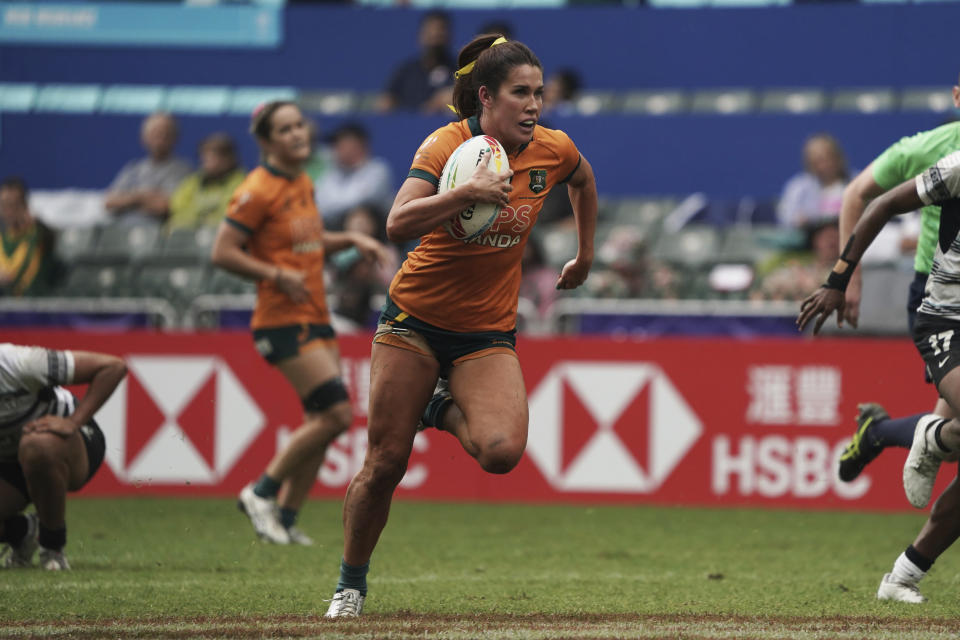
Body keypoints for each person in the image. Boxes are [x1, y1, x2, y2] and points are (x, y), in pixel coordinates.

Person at [324, 34, 598, 618]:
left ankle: (437, 407)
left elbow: (584, 181)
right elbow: (398, 222)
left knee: (502, 451)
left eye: (539, 94)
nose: (533, 105)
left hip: (485, 332)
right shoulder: (447, 144)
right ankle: (350, 585)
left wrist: (586, 254)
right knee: (385, 463)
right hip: (414, 320)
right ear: (485, 97)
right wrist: (468, 193)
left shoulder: (554, 149)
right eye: (520, 93)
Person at [211, 101, 391, 547]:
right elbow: (223, 251)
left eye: (299, 126)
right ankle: (261, 491)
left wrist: (347, 238)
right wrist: (275, 274)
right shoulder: (257, 189)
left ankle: (286, 520)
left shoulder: (302, 181)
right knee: (335, 414)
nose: (297, 134)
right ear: (267, 141)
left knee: (323, 420)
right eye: (286, 129)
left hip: (314, 313)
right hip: (281, 319)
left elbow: (307, 242)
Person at [797, 149, 960, 604]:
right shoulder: (958, 166)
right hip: (950, 323)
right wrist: (838, 280)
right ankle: (927, 437)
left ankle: (903, 575)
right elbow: (880, 204)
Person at [0, 344, 126, 570]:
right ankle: (22, 532)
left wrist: (73, 422)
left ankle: (52, 546)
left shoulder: (19, 363)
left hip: (67, 445)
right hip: (9, 462)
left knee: (37, 446)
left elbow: (113, 367)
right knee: (31, 448)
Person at [104, 112, 192, 227]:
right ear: (144, 137)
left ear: (175, 138)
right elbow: (109, 202)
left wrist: (129, 199)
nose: (161, 138)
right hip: (121, 230)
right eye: (156, 133)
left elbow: (164, 206)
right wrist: (142, 197)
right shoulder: (133, 168)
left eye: (166, 134)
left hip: (158, 234)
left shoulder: (183, 170)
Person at [313, 123, 394, 230]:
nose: (335, 149)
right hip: (335, 230)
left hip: (378, 236)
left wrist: (329, 208)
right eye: (336, 145)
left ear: (358, 145)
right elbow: (318, 204)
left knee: (359, 217)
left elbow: (355, 201)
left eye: (341, 144)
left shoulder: (378, 170)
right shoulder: (332, 173)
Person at [377, 11, 455, 114]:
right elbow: (386, 102)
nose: (435, 38)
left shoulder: (459, 69)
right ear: (421, 36)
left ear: (448, 36)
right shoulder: (406, 71)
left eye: (440, 34)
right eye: (430, 33)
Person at [166, 133, 246, 232]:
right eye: (205, 156)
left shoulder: (241, 182)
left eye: (215, 156)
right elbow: (176, 209)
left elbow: (230, 215)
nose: (208, 161)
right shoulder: (192, 181)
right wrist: (199, 219)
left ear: (229, 159)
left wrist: (200, 216)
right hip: (187, 237)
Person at [0, 177, 61, 296]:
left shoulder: (38, 234)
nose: (8, 211)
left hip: (35, 307)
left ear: (24, 205)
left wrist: (37, 222)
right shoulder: (2, 238)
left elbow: (51, 239)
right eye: (3, 204)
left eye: (13, 204)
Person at [776, 133, 850, 229]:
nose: (823, 165)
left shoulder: (857, 182)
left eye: (827, 158)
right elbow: (786, 217)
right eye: (817, 161)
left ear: (838, 157)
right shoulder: (798, 187)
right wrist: (798, 220)